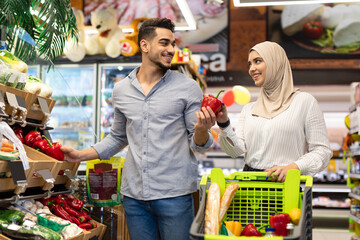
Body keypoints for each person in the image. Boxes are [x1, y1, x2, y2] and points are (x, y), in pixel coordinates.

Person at [61, 18, 216, 240]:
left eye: (173, 44)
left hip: (175, 194)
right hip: (134, 196)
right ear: (144, 45)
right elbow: (117, 138)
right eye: (164, 43)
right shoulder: (121, 90)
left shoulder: (187, 87)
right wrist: (79, 155)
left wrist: (202, 130)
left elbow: (198, 144)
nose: (171, 50)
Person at [215, 41, 332, 182]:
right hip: (250, 184)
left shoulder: (304, 102)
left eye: (257, 61)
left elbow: (322, 151)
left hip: (285, 184)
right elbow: (235, 151)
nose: (252, 69)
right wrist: (224, 124)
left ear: (275, 62)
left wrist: (294, 167)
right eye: (250, 64)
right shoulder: (249, 109)